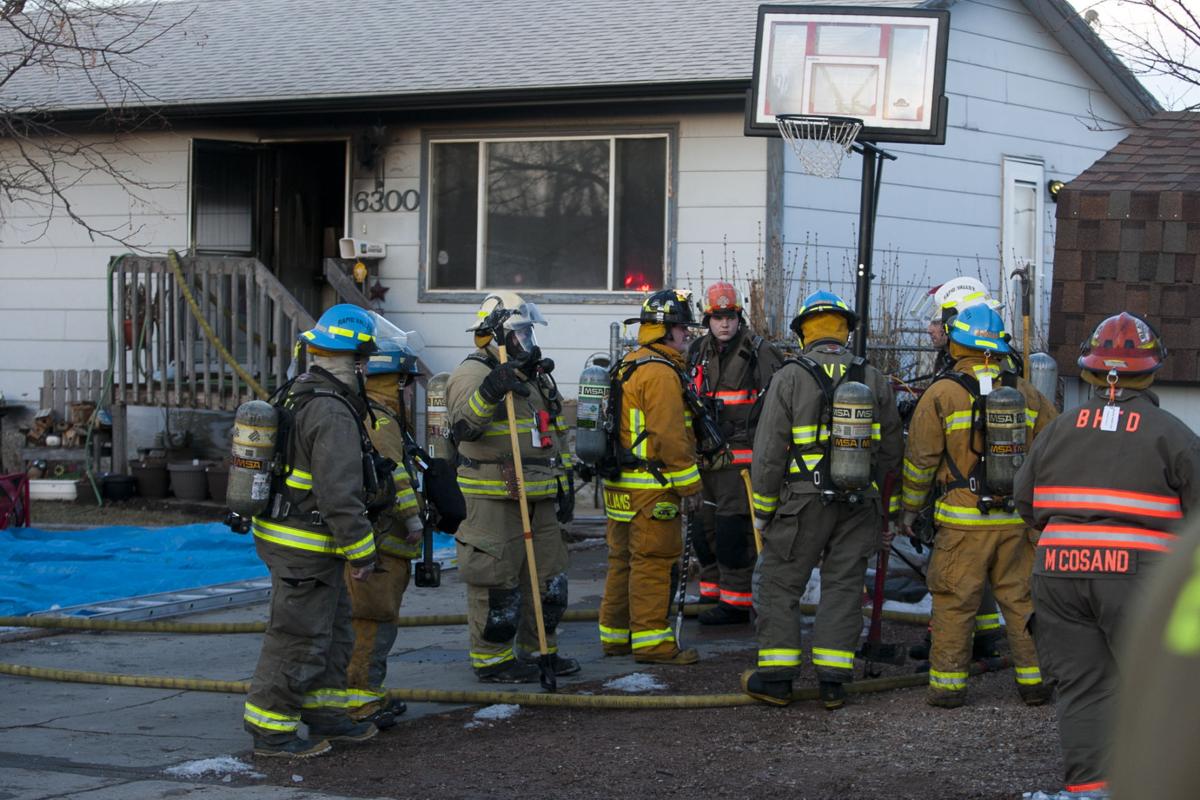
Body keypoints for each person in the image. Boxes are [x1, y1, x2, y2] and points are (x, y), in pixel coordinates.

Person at [1015, 312, 1200, 800]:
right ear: (1153, 370)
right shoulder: (1173, 433)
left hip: (1057, 571)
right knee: (1160, 687)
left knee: (1083, 688)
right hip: (1137, 575)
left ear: (1092, 373)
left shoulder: (1058, 430)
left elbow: (1024, 500)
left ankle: (1091, 791)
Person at [742, 290, 903, 709]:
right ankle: (834, 682)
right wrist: (888, 508)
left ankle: (777, 679)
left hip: (802, 503)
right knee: (844, 586)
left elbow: (769, 451)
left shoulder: (790, 376)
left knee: (780, 582)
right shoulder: (874, 377)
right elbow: (890, 452)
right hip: (860, 503)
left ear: (804, 334)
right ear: (844, 331)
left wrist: (762, 511)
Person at [244, 304, 384, 758]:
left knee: (332, 630)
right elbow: (339, 493)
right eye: (366, 362)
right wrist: (362, 553)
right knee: (298, 636)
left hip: (297, 536)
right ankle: (271, 730)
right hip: (305, 542)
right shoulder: (331, 411)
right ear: (357, 360)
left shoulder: (298, 391)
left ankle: (326, 716)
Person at [900, 302, 1056, 709]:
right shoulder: (1026, 392)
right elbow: (1053, 449)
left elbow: (920, 462)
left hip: (962, 523)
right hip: (1017, 523)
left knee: (954, 602)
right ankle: (1035, 683)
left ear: (957, 344)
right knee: (1022, 602)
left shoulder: (942, 393)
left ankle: (949, 688)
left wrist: (909, 511)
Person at [445, 291, 578, 683]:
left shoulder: (532, 376)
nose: (528, 341)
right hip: (493, 494)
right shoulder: (470, 374)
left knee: (549, 578)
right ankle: (494, 660)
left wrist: (564, 480)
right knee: (496, 580)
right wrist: (491, 390)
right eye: (520, 333)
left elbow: (554, 429)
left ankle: (542, 651)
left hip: (539, 492)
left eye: (528, 332)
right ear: (497, 334)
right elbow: (464, 428)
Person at [599, 288, 705, 665]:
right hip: (652, 488)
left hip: (620, 486)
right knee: (653, 562)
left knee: (622, 560)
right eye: (682, 329)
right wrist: (690, 485)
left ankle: (615, 636)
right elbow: (670, 436)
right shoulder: (660, 372)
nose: (687, 336)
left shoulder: (629, 361)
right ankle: (653, 643)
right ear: (666, 331)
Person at [909, 278, 1007, 662]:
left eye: (939, 320)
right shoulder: (986, 359)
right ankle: (981, 637)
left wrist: (911, 506)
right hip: (988, 495)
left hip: (966, 493)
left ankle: (949, 645)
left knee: (951, 574)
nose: (932, 328)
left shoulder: (980, 365)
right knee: (977, 572)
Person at [343, 317, 425, 730]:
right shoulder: (380, 418)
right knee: (373, 619)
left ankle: (358, 697)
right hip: (383, 541)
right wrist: (413, 520)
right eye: (405, 381)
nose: (409, 390)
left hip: (371, 538)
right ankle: (361, 702)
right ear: (390, 378)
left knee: (362, 618)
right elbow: (393, 476)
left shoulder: (366, 411)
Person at [686, 280, 783, 624]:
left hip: (741, 462)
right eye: (717, 316)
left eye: (730, 316)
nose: (724, 323)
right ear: (707, 319)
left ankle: (737, 602)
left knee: (732, 532)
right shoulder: (696, 350)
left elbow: (777, 405)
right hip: (705, 459)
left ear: (739, 317)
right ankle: (711, 593)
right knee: (703, 530)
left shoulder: (760, 352)